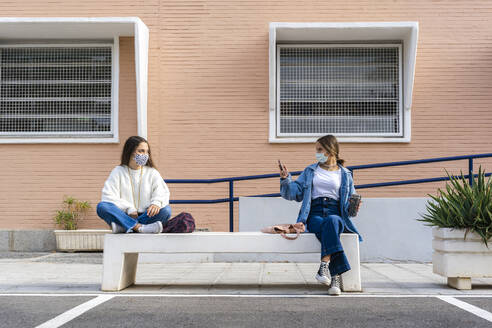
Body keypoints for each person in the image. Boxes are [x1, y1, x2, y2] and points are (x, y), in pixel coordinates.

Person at [279, 134, 362, 296]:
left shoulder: (345, 174)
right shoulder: (310, 171)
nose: (317, 153)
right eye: (316, 150)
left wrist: (354, 205)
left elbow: (350, 205)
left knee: (332, 221)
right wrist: (285, 179)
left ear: (330, 150)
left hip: (336, 214)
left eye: (319, 150)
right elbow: (294, 194)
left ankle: (324, 266)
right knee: (326, 226)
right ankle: (335, 277)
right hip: (314, 213)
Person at [96, 136, 172, 234]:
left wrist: (156, 203)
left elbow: (162, 192)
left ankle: (125, 226)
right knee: (102, 207)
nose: (145, 155)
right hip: (124, 214)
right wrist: (128, 208)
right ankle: (139, 227)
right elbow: (107, 196)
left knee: (166, 211)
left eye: (147, 151)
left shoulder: (152, 172)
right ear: (130, 151)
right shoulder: (118, 171)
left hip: (147, 214)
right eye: (141, 151)